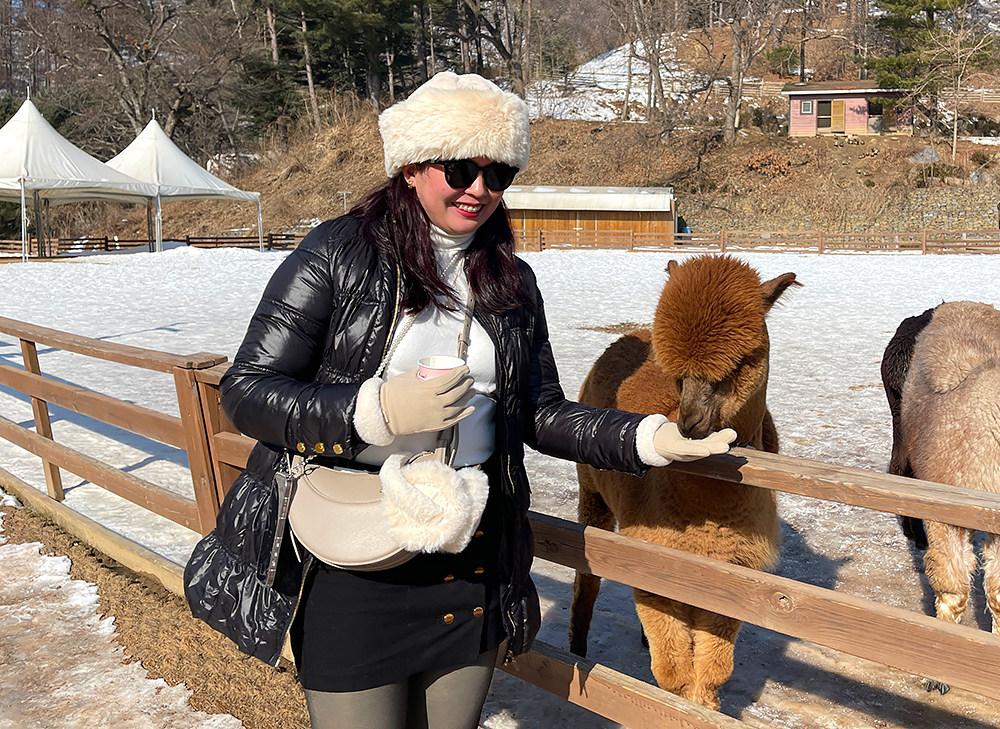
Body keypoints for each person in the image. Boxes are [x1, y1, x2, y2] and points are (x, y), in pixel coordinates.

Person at [184, 71, 735, 729]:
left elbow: (539, 411)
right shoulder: (337, 253)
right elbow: (247, 393)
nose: (479, 189)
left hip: (470, 555)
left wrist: (648, 438)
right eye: (459, 168)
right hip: (353, 556)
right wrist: (375, 412)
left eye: (497, 174)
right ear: (412, 167)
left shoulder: (510, 281)